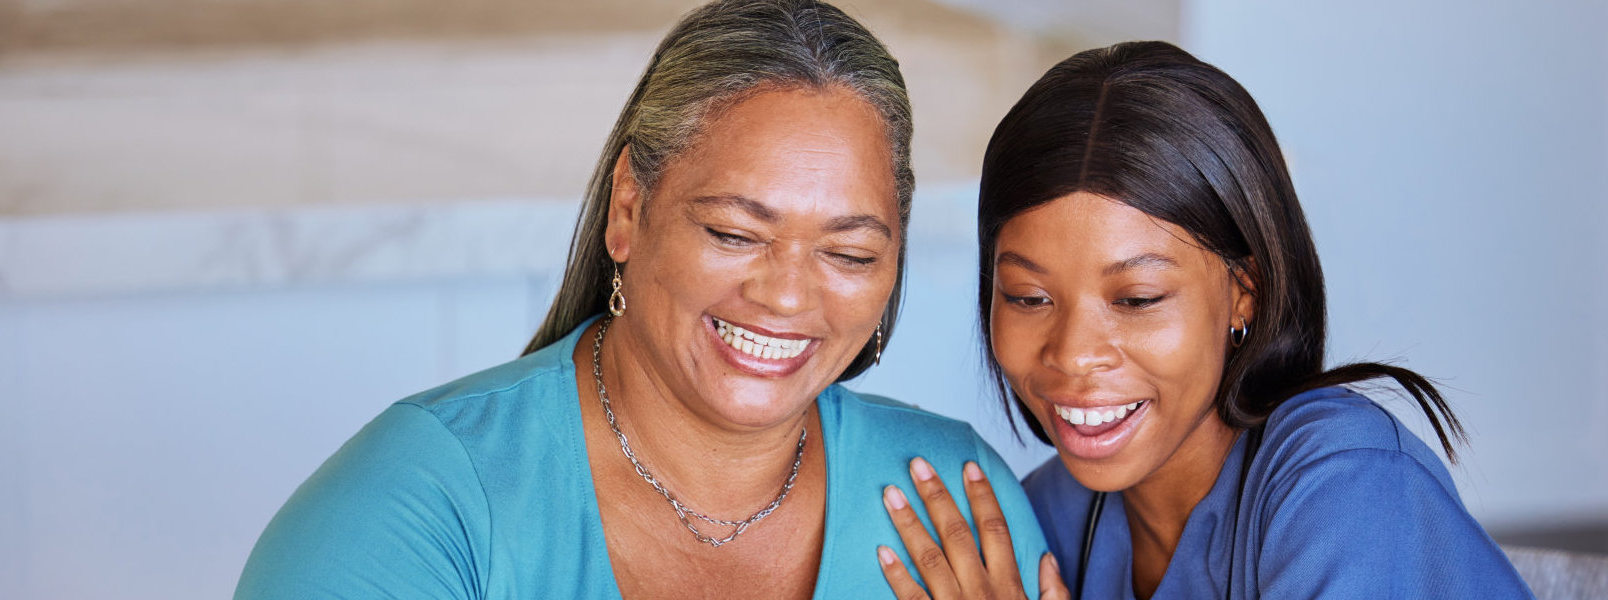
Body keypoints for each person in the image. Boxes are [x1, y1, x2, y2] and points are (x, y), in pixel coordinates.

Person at [235, 1, 1053, 597]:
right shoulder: (419, 505)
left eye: (848, 251)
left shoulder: (952, 500)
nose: (787, 294)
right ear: (630, 209)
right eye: (735, 233)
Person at [878, 41, 1532, 599]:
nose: (1073, 355)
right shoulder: (1048, 517)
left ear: (1244, 291)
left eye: (1135, 300)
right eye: (1027, 297)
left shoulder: (1350, 483)